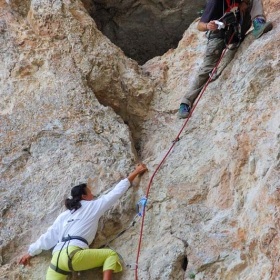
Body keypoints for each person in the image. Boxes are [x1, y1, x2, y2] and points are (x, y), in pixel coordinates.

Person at [19, 163, 148, 280]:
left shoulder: (64, 215)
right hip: (73, 255)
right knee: (111, 255)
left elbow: (48, 236)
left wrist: (30, 252)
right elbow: (115, 193)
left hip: (56, 259)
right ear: (84, 197)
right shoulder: (92, 207)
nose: (93, 195)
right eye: (90, 193)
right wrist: (136, 172)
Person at [178, 0, 273, 119]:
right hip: (218, 36)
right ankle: (185, 103)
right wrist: (208, 26)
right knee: (206, 69)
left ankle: (258, 23)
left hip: (237, 28)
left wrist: (244, 3)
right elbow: (200, 25)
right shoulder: (215, 2)